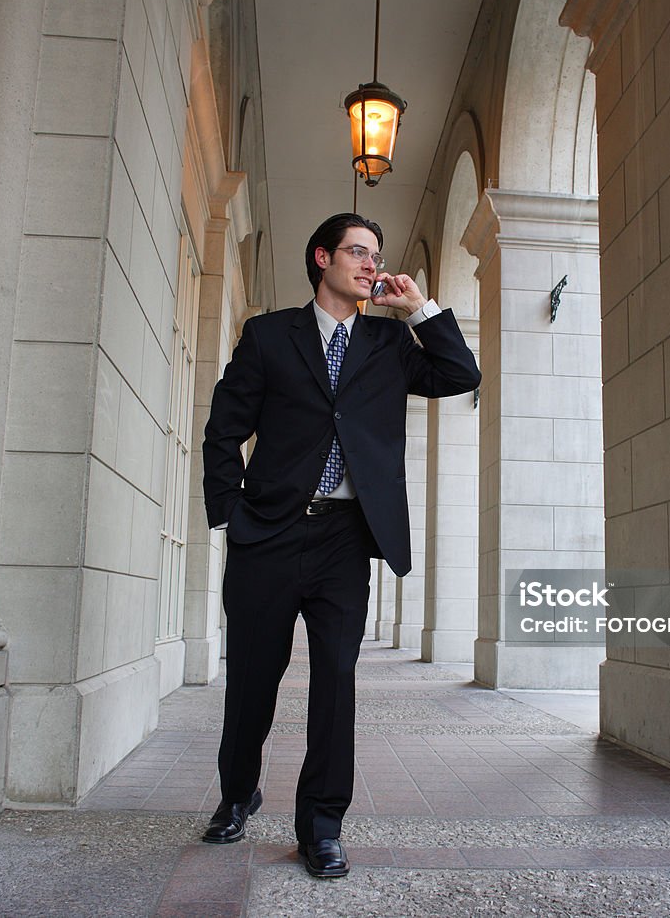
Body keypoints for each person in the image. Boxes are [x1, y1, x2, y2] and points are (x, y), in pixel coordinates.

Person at [200, 213, 480, 878]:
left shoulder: (388, 345)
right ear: (320, 256)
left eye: (375, 255)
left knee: (336, 679)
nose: (370, 264)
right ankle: (237, 794)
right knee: (252, 681)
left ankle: (322, 824)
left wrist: (420, 309)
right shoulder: (269, 336)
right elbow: (223, 428)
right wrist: (232, 514)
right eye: (357, 251)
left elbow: (459, 373)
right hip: (267, 533)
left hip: (345, 540)